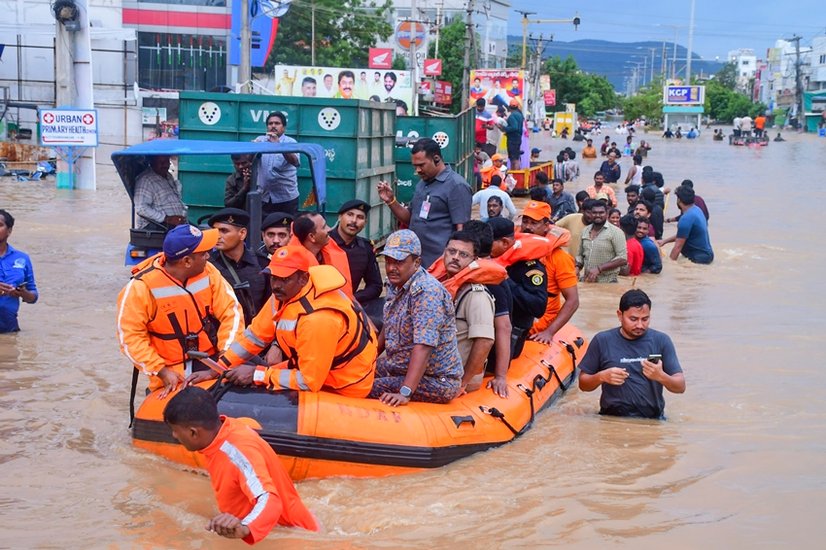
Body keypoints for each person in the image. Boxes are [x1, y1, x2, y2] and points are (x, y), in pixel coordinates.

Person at [199, 245, 377, 397]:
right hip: (315, 365)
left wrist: (257, 375)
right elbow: (255, 336)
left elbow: (309, 381)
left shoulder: (318, 319)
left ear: (303, 278)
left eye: (284, 279)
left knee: (259, 375)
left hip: (345, 382)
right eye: (273, 277)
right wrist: (217, 368)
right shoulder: (284, 294)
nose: (276, 285)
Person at [163, 387, 319, 542]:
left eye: (175, 430)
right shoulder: (226, 429)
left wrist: (245, 527)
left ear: (193, 432)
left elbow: (270, 500)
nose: (174, 435)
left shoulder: (236, 453)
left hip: (292, 535)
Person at [117, 224, 244, 398]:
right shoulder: (140, 288)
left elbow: (232, 312)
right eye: (203, 254)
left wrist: (225, 358)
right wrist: (161, 371)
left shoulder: (209, 272)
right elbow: (130, 338)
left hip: (209, 359)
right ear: (187, 261)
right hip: (169, 369)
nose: (208, 256)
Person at [369, 230, 463, 406]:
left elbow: (424, 346)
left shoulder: (427, 293)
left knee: (362, 386)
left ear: (416, 262)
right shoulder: (395, 284)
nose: (391, 268)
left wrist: (405, 392)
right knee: (351, 373)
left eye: (399, 262)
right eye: (388, 261)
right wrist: (368, 359)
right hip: (397, 366)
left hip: (436, 380)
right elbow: (387, 327)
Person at [578, 289, 685, 419]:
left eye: (645, 319)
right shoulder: (602, 341)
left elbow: (680, 386)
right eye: (633, 319)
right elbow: (583, 384)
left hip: (652, 421)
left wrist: (661, 376)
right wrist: (601, 377)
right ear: (619, 315)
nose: (640, 325)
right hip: (610, 420)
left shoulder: (661, 341)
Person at [428, 231, 505, 392]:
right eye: (451, 251)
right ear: (444, 253)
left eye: (463, 254)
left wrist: (463, 382)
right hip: (437, 369)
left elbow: (485, 341)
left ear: (474, 261)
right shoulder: (440, 285)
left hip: (457, 376)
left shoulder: (476, 296)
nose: (455, 257)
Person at [377, 138, 472, 268]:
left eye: (421, 165)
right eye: (415, 166)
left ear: (437, 159)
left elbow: (462, 231)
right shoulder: (422, 183)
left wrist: (451, 265)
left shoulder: (457, 186)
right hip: (417, 262)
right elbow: (409, 218)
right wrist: (391, 201)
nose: (418, 170)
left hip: (439, 266)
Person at [518, 201, 580, 346]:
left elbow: (573, 301)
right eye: (525, 221)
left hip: (539, 327)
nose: (527, 227)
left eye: (534, 223)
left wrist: (549, 332)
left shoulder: (560, 258)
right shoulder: (514, 250)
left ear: (546, 226)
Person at [463, 221, 513, 398]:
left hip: (485, 359)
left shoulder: (491, 280)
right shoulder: (479, 272)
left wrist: (500, 376)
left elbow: (504, 327)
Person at [488, 217, 548, 359]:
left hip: (512, 334)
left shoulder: (531, 268)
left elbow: (538, 307)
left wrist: (505, 281)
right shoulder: (486, 260)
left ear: (504, 242)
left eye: (488, 243)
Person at [208, 208, 270, 325]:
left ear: (242, 233)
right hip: (223, 334)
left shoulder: (262, 263)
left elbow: (270, 304)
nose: (218, 236)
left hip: (256, 334)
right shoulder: (208, 265)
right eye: (215, 231)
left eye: (224, 231)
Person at [328, 199, 383, 304]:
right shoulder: (323, 242)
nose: (354, 221)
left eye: (360, 217)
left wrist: (352, 298)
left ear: (365, 223)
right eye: (350, 215)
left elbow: (375, 286)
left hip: (349, 305)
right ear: (340, 217)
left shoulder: (366, 248)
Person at [290, 212, 353, 297]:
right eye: (324, 227)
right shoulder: (294, 268)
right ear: (312, 237)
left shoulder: (333, 253)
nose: (329, 229)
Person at [253, 112, 300, 217]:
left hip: (286, 198)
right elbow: (248, 160)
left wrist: (279, 146)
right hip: (264, 197)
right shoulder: (260, 140)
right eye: (270, 123)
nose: (273, 126)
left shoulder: (291, 142)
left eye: (277, 123)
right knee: (264, 230)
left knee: (286, 230)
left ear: (284, 128)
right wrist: (252, 148)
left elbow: (295, 162)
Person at [0, 210, 38, 332]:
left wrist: (23, 293)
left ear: (9, 231)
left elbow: (33, 297)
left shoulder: (22, 258)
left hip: (10, 329)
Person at [575, 200, 627, 283]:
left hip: (608, 282)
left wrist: (599, 268)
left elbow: (623, 259)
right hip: (587, 280)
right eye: (594, 213)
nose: (598, 215)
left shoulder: (616, 232)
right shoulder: (585, 231)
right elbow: (580, 255)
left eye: (601, 213)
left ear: (607, 214)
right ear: (590, 214)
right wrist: (577, 268)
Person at [659, 186, 714, 264]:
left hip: (698, 258)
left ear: (679, 200)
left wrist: (669, 266)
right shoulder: (697, 210)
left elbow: (677, 247)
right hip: (707, 255)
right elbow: (683, 235)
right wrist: (664, 241)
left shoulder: (686, 218)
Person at [133, 155, 188, 229]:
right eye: (161, 162)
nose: (165, 165)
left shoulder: (168, 176)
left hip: (176, 224)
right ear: (152, 162)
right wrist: (167, 219)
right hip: (158, 226)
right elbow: (141, 208)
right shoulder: (145, 180)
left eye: (167, 161)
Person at [555, 191, 592, 259]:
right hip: (569, 262)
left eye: (594, 213)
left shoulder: (600, 226)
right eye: (589, 213)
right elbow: (553, 228)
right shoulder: (571, 218)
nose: (592, 215)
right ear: (583, 211)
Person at [502, 99, 525, 170]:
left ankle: (514, 174)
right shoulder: (520, 115)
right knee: (516, 158)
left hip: (512, 140)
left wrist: (505, 128)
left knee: (513, 159)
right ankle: (516, 173)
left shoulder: (512, 116)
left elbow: (514, 127)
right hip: (518, 139)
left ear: (509, 107)